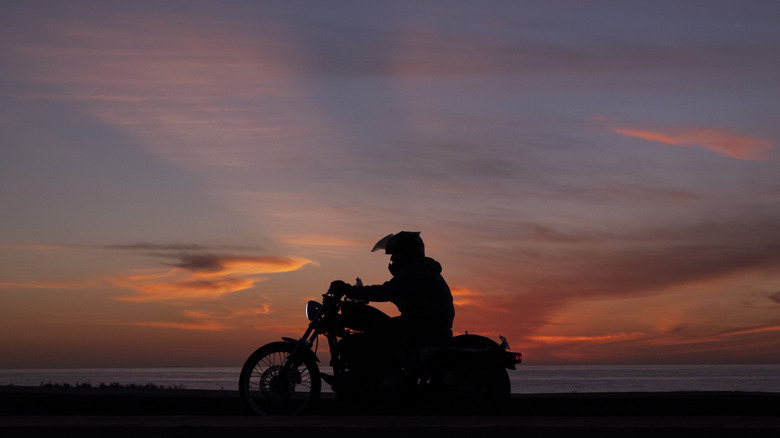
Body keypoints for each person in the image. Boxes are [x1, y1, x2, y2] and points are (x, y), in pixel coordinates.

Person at [330, 231, 455, 348]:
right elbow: (392, 292)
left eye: (395, 254)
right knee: (377, 326)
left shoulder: (415, 270)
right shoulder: (422, 270)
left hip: (424, 327)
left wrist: (348, 289)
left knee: (374, 335)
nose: (392, 259)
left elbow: (385, 292)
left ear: (405, 253)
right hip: (428, 325)